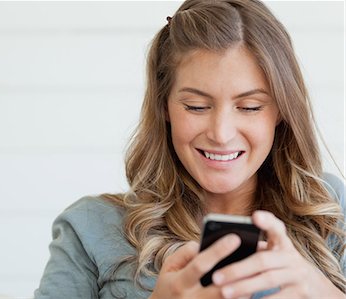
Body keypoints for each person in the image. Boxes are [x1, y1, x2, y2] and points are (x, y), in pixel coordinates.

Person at [34, 0, 346, 298]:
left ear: (280, 111)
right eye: (196, 106)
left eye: (250, 107)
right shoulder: (90, 227)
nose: (221, 134)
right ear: (164, 107)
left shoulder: (328, 208)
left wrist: (321, 292)